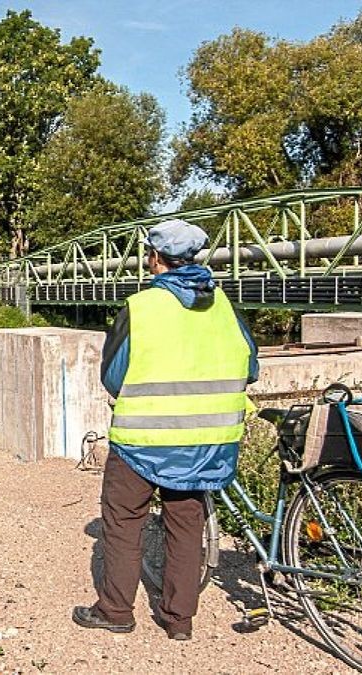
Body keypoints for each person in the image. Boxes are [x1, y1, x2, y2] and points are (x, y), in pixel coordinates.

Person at [72, 218, 258, 641]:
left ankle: (116, 610)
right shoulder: (226, 307)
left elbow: (114, 378)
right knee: (186, 521)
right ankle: (179, 620)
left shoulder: (140, 309)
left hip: (145, 440)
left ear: (154, 258)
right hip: (208, 441)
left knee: (122, 520)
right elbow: (251, 367)